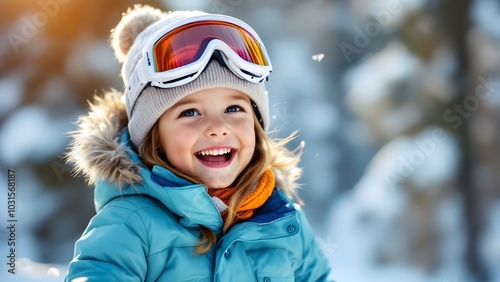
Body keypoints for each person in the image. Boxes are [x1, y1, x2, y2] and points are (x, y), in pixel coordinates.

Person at [65, 4, 333, 282]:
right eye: (190, 112)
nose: (218, 128)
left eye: (233, 109)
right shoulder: (130, 223)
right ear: (154, 138)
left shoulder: (284, 221)